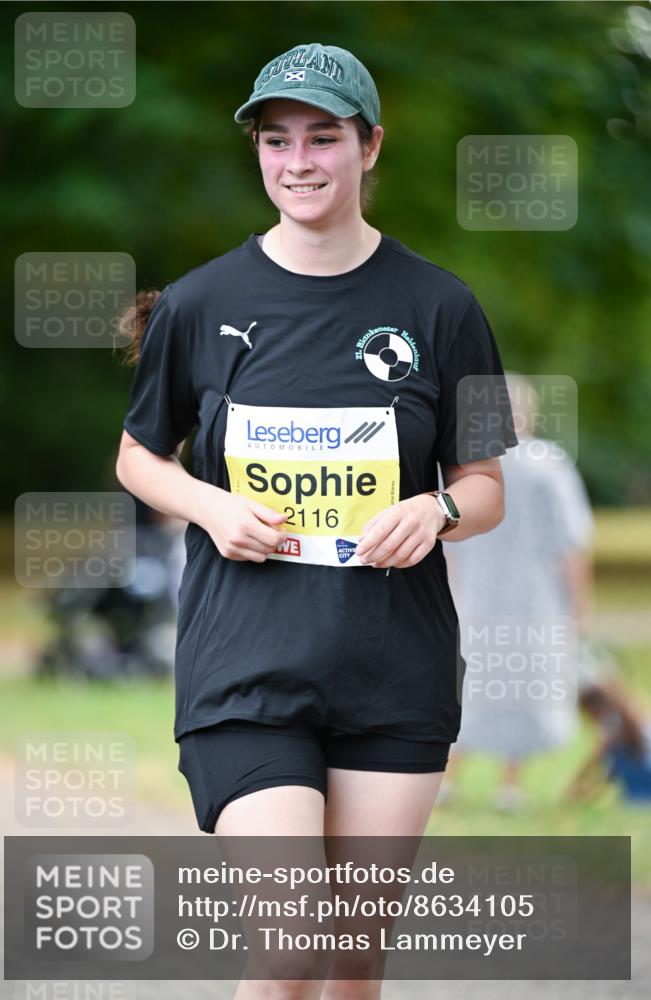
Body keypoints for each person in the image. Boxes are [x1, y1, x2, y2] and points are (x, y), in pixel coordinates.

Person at [116, 41, 518, 999]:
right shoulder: (201, 302)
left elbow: (487, 484)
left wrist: (436, 508)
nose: (297, 160)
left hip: (393, 669)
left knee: (352, 960)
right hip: (244, 668)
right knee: (291, 945)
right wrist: (210, 504)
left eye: (323, 137)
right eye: (276, 138)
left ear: (370, 147)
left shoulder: (442, 304)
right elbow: (138, 455)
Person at [442, 373, 595, 811]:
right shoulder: (550, 465)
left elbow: (449, 537)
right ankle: (512, 783)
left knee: (468, 685)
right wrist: (580, 608)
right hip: (535, 600)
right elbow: (571, 544)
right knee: (523, 685)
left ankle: (451, 776)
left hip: (473, 596)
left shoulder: (465, 466)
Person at [567, 680, 651, 804]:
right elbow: (611, 773)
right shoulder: (631, 718)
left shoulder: (612, 724)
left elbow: (597, 760)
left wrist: (576, 783)